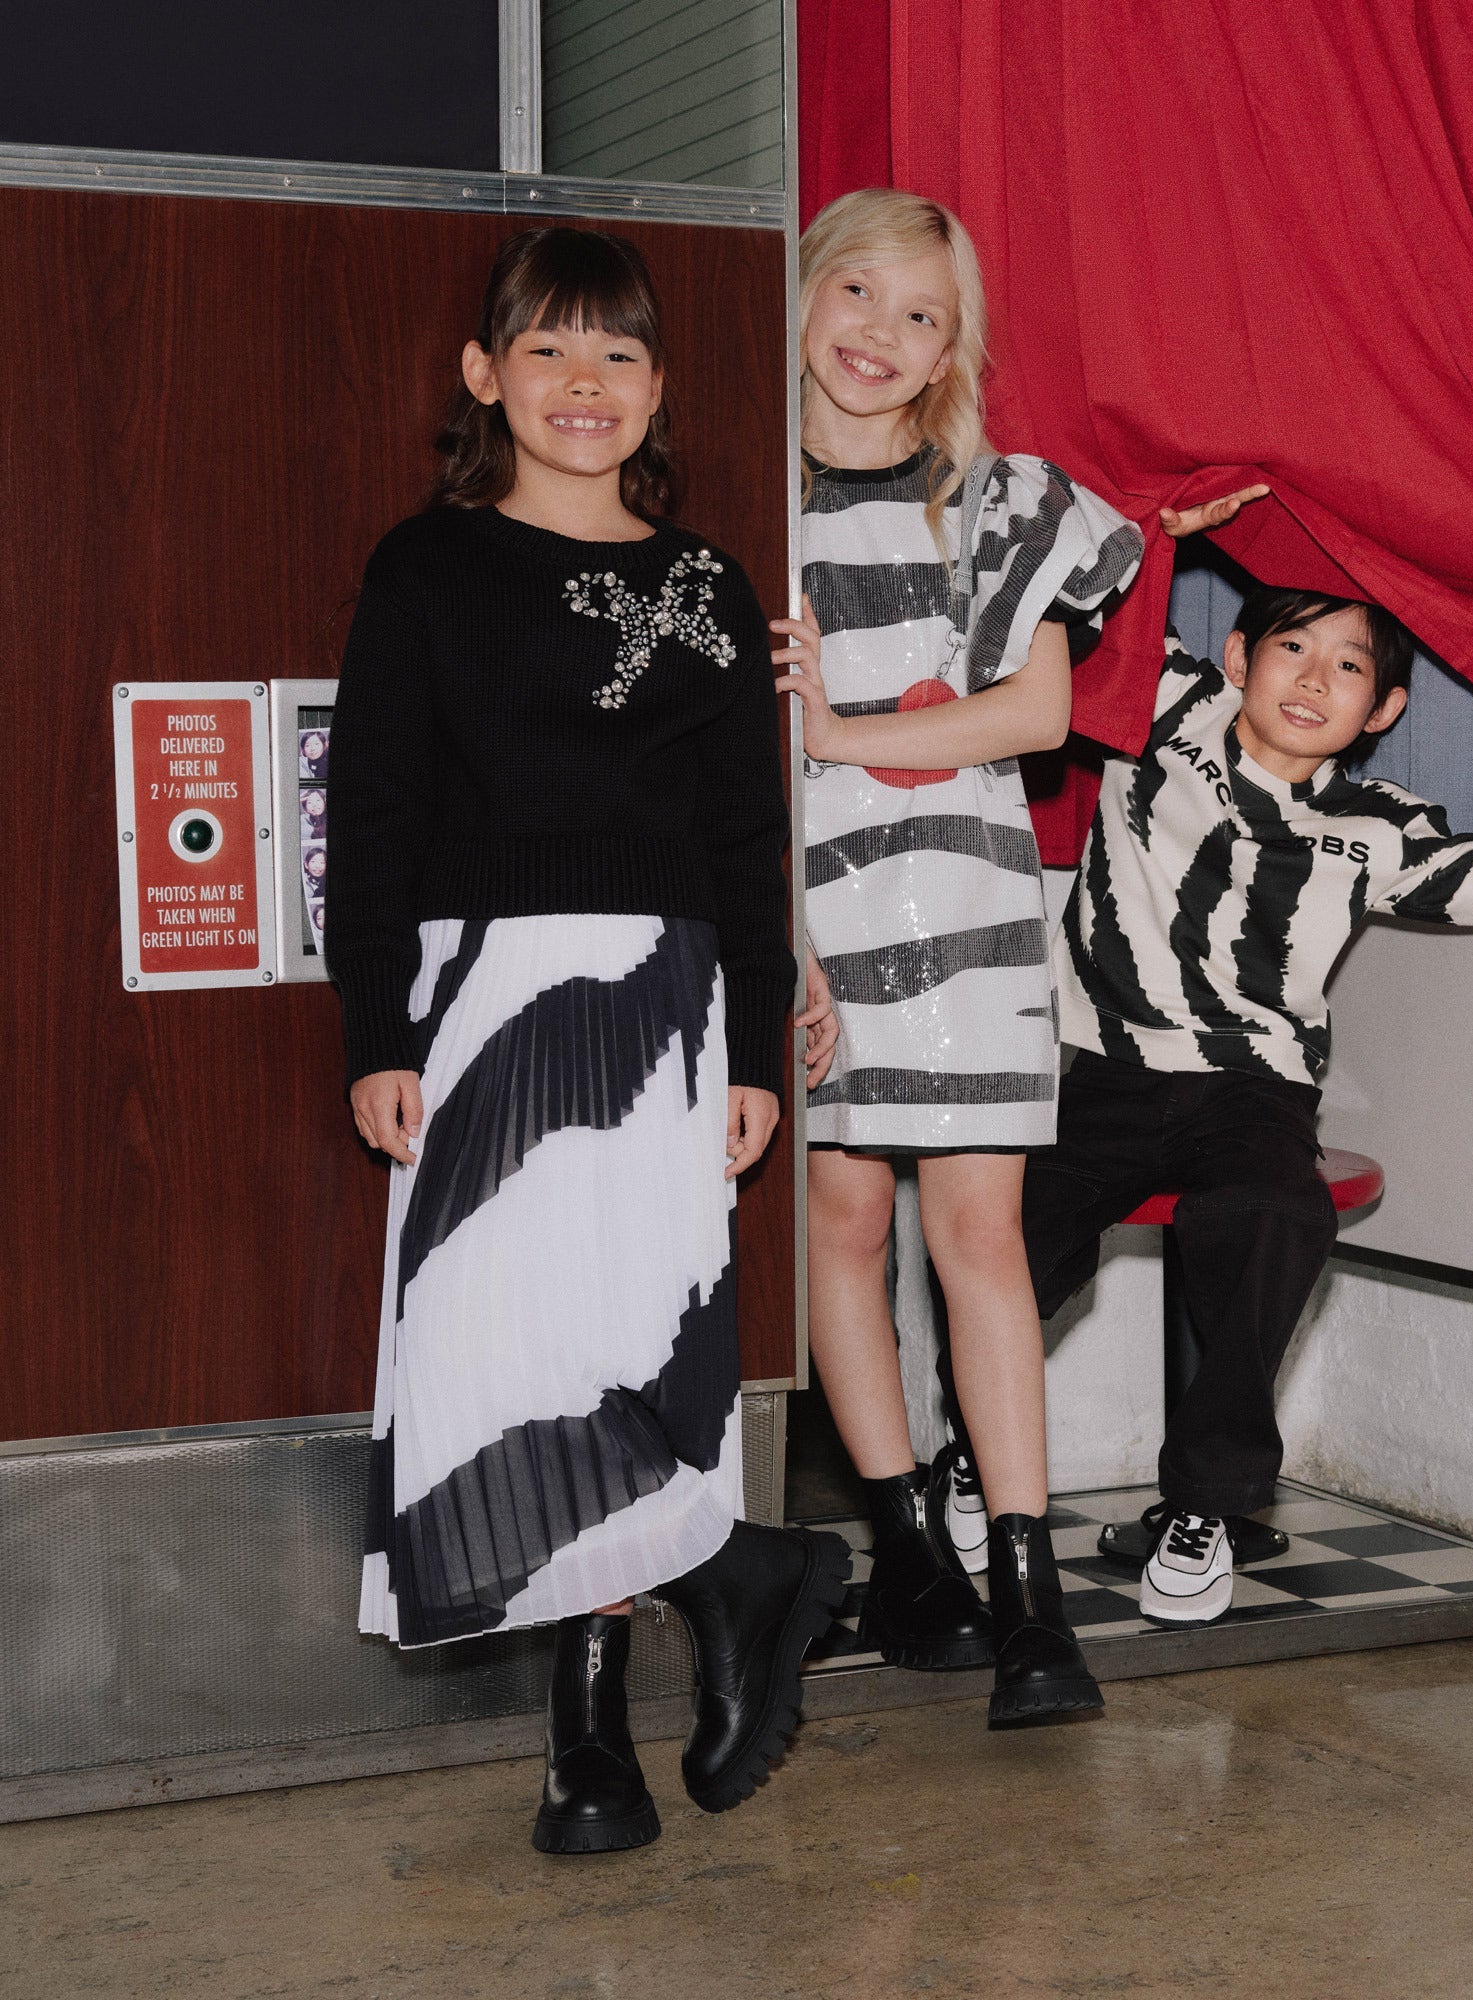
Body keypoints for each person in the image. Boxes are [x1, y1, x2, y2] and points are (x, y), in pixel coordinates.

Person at [325, 226, 846, 1856]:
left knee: (624, 1348)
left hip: (660, 1005)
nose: (582, 382)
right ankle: (735, 1573)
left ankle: (593, 1729)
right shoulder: (426, 568)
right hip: (476, 994)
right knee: (495, 1353)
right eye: (547, 348)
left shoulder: (706, 587)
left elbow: (744, 841)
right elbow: (374, 816)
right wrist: (376, 1027)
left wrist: (750, 1046)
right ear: (484, 375)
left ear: (659, 387)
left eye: (617, 352)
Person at [940, 487, 1473, 1626]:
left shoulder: (1378, 825)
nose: (1312, 679)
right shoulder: (1163, 707)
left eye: (1348, 667)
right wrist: (1160, 534)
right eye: (1292, 647)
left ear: (1382, 707)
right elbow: (1079, 609)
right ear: (1238, 657)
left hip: (1253, 1089)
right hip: (1100, 1065)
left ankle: (1203, 1505)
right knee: (1004, 1227)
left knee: (1275, 1211)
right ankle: (975, 1447)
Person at [771, 189, 1142, 1726]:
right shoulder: (740, 504)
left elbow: (1036, 716)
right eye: (859, 292)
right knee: (844, 1218)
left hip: (973, 906)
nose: (881, 334)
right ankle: (910, 1547)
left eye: (921, 316)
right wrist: (782, 947)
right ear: (802, 294)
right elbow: (724, 762)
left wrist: (844, 729)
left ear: (949, 357)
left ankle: (1033, 1599)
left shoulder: (1001, 504)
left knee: (979, 1235)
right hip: (811, 912)